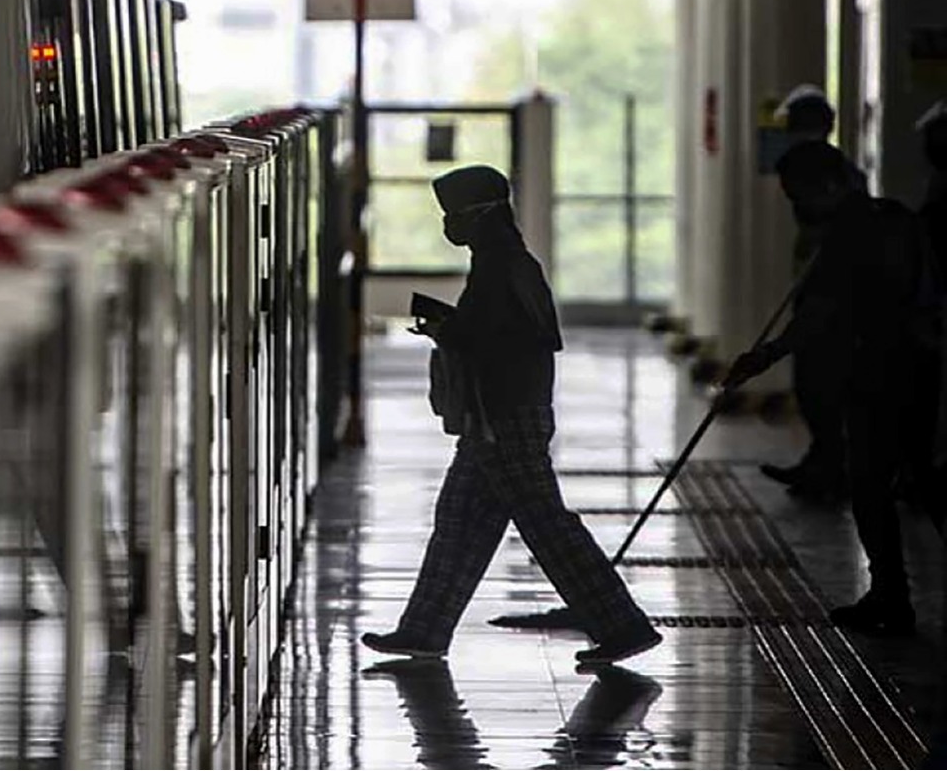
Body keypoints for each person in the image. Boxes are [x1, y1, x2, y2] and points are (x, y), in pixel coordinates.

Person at [362, 166, 661, 667]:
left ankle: (623, 624)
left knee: (546, 524)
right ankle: (424, 630)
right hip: (494, 416)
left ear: (482, 214)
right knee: (459, 524)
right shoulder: (500, 262)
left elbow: (514, 340)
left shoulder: (505, 265)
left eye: (454, 215)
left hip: (507, 418)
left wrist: (449, 330)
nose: (450, 226)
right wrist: (453, 328)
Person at [727, 140, 941, 634]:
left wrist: (764, 356)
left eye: (797, 196)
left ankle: (891, 596)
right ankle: (890, 595)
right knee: (922, 479)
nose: (796, 208)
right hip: (921, 369)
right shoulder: (895, 217)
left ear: (826, 186)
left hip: (877, 371)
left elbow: (818, 314)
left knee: (870, 484)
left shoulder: (850, 233)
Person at [763, 85, 848, 498]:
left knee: (819, 382)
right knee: (814, 382)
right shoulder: (834, 163)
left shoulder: (815, 164)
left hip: (828, 285)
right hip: (817, 279)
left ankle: (830, 466)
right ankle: (823, 461)